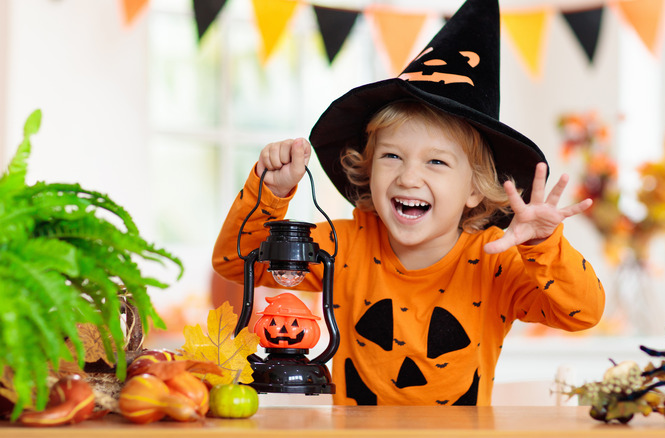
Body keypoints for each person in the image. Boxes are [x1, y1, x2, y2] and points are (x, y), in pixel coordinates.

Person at [212, 0, 604, 406]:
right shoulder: (342, 246)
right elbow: (232, 263)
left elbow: (583, 313)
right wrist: (270, 194)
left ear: (475, 189)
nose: (409, 177)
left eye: (436, 162)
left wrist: (544, 244)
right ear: (367, 169)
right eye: (391, 156)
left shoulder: (494, 260)